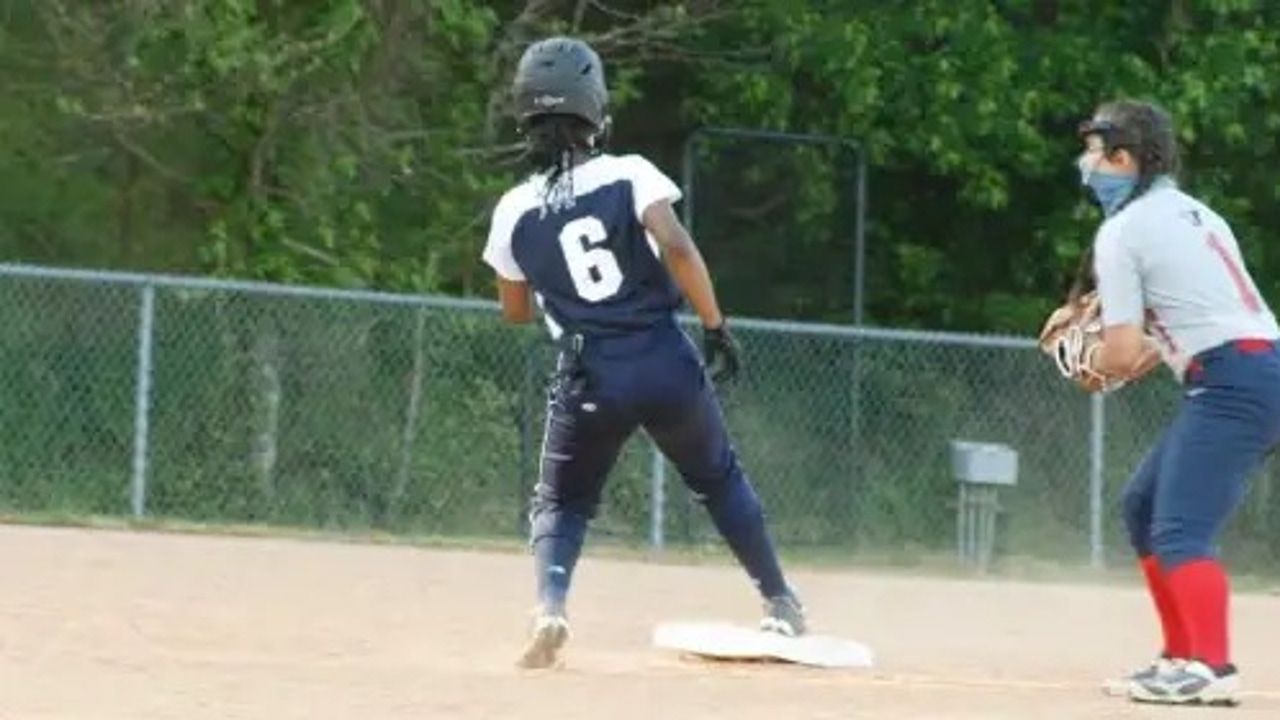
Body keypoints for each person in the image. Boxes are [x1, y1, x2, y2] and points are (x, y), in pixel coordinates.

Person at [481, 36, 807, 670]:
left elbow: (514, 310)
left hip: (589, 372)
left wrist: (560, 295)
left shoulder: (513, 210)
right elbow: (678, 247)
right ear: (594, 111)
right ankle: (780, 601)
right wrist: (715, 325)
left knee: (563, 503)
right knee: (717, 478)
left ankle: (551, 605)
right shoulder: (629, 173)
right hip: (663, 357)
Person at [1075, 99, 1280, 706]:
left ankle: (1212, 669)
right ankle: (1180, 658)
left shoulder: (1122, 230)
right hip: (1246, 366)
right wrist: (1121, 356)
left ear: (1124, 158)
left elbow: (1118, 351)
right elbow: (1165, 337)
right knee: (1143, 508)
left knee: (1180, 529)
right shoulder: (1195, 214)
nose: (1086, 163)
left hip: (1234, 376)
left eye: (1095, 149)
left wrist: (1087, 361)